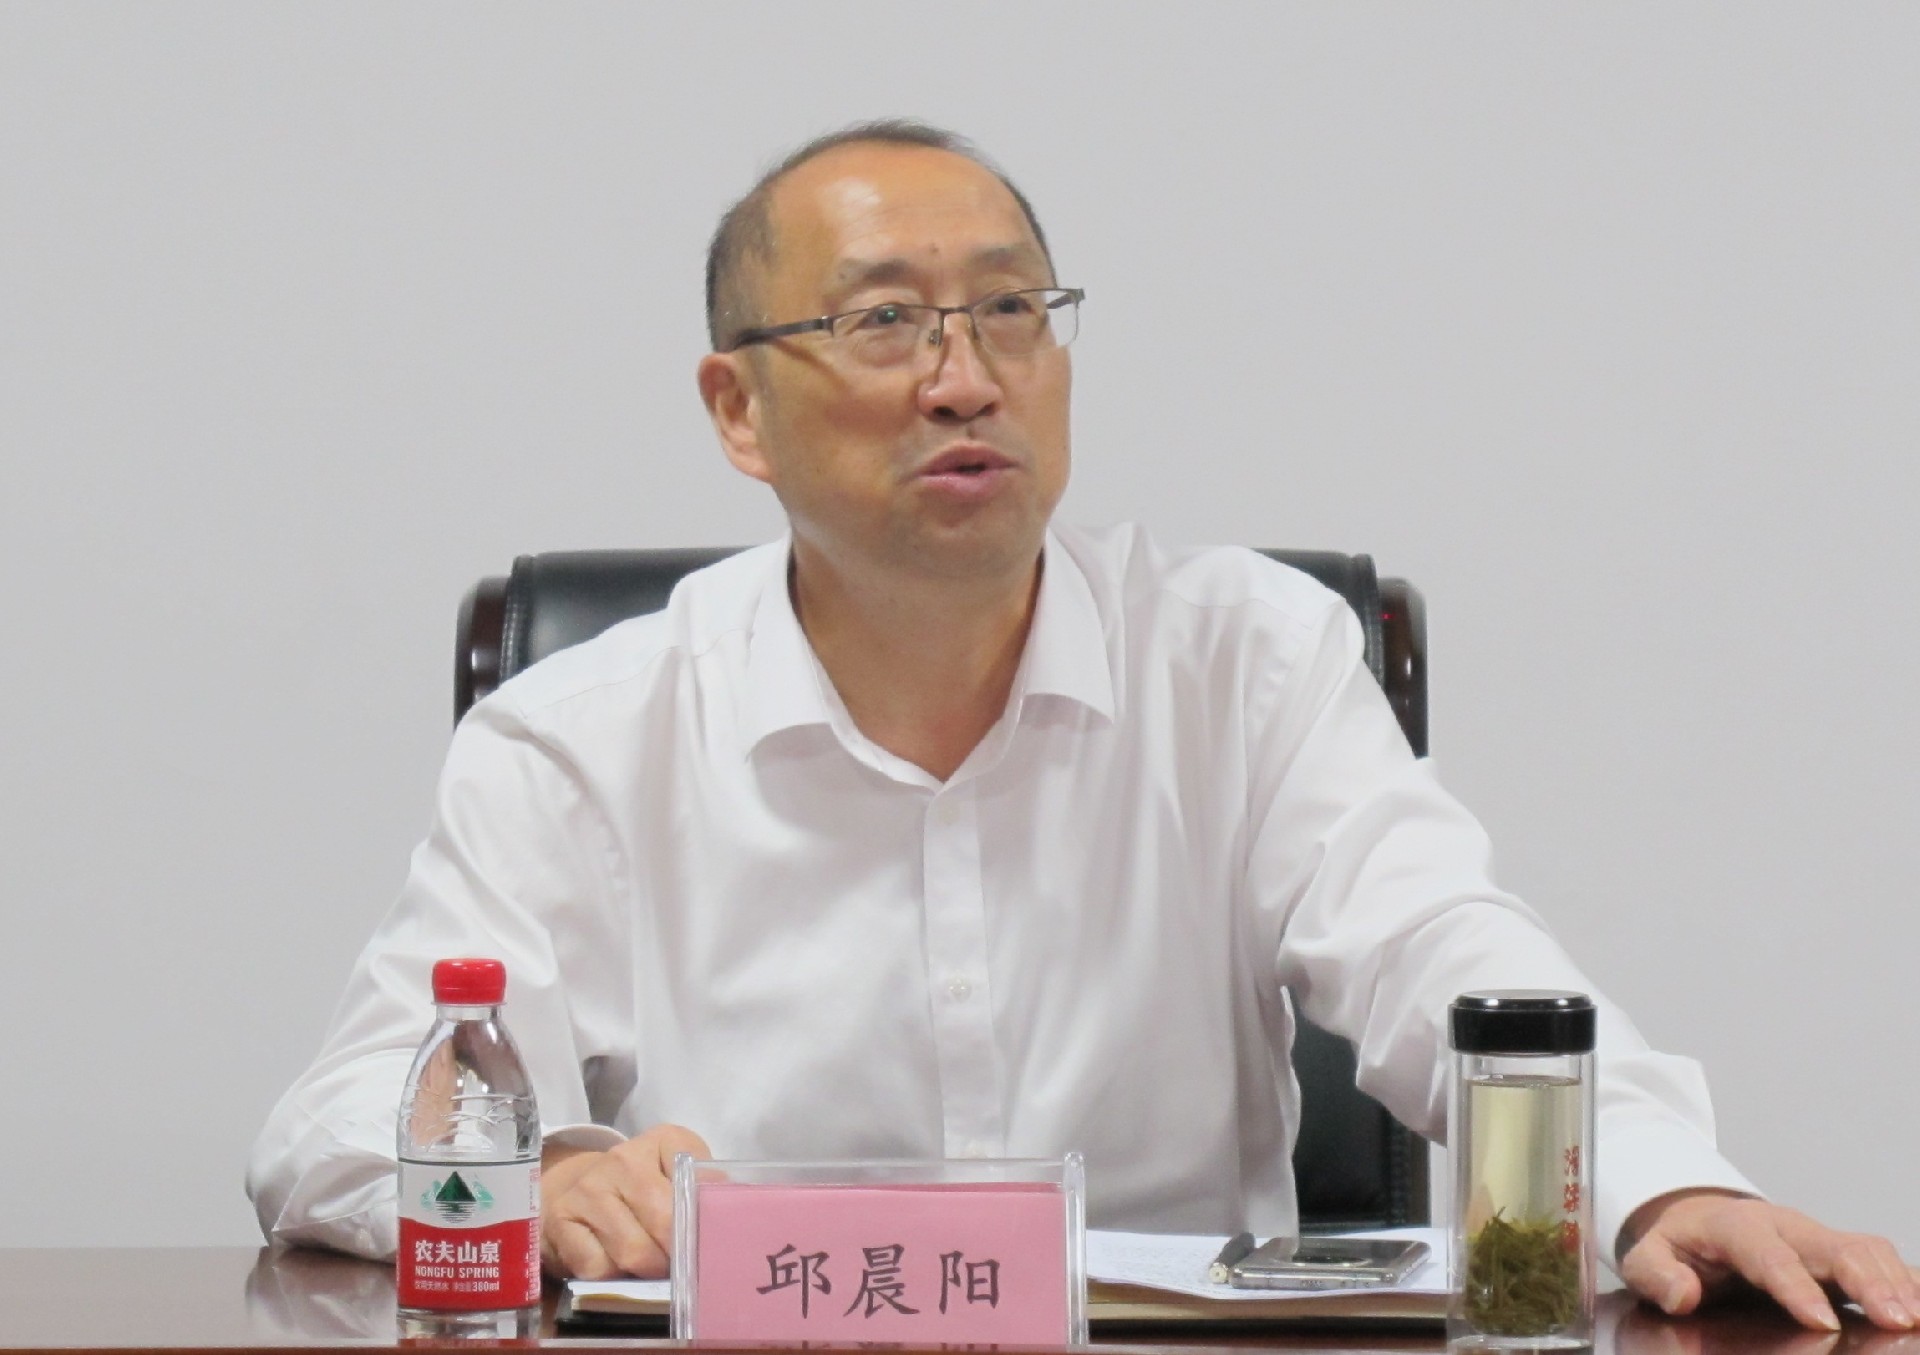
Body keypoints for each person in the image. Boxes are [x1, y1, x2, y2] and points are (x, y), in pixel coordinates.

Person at [248, 119, 1916, 1332]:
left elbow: (1448, 955)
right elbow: (334, 1127)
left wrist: (1664, 1180)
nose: (965, 376)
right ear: (737, 409)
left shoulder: (1243, 659)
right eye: (883, 321)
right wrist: (536, 1178)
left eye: (1010, 312)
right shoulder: (578, 735)